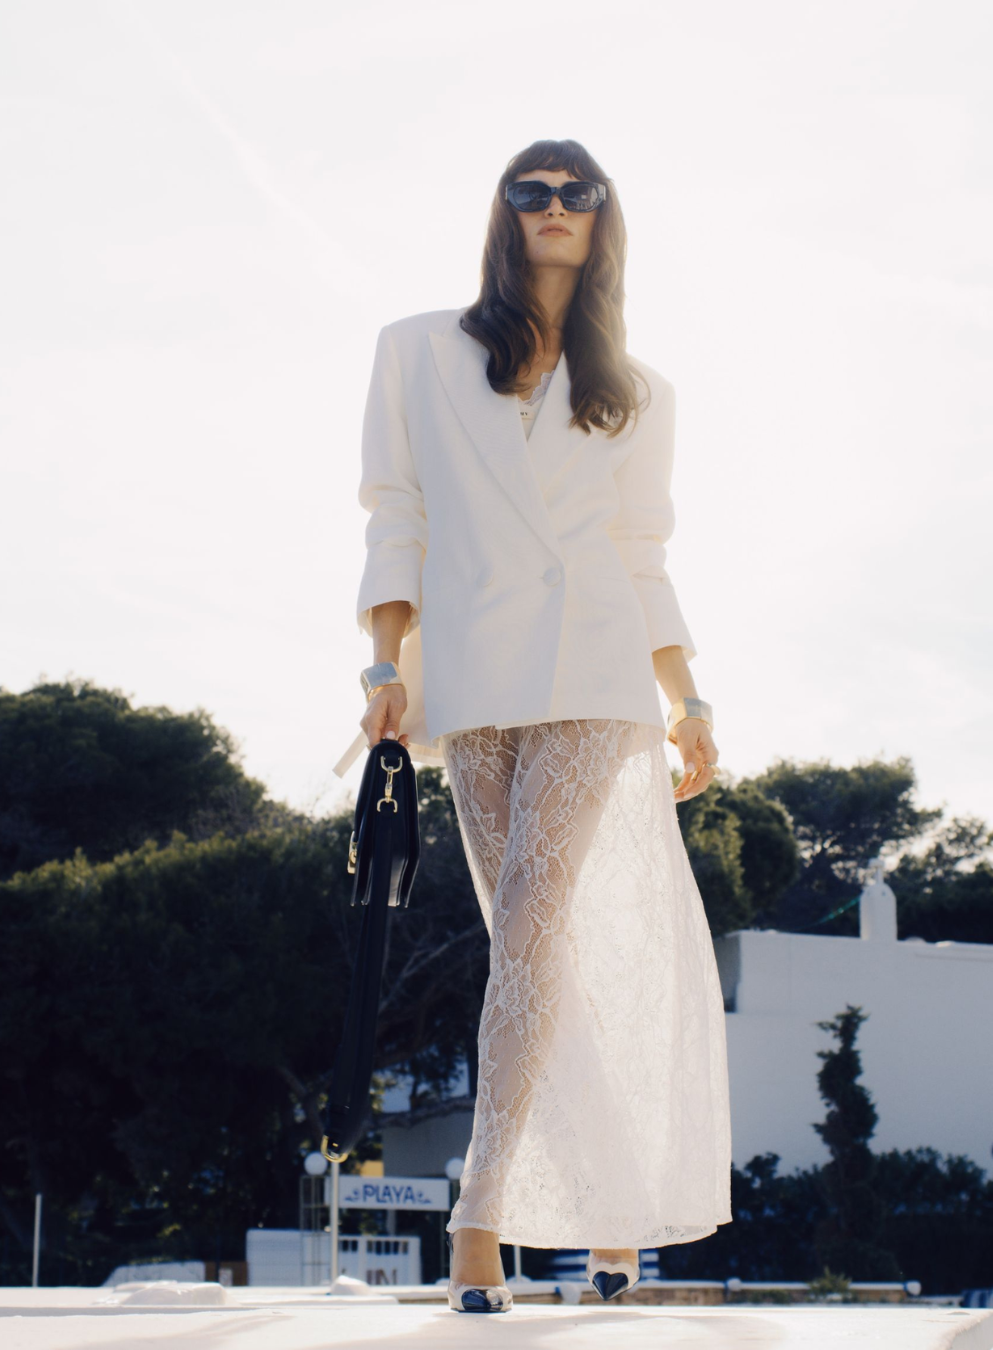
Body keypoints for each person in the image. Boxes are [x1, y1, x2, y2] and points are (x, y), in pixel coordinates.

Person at [340, 138, 731, 1314]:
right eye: (533, 190)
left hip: (596, 669)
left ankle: (480, 1210)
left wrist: (688, 700)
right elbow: (395, 514)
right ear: (503, 213)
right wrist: (383, 664)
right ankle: (612, 1206)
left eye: (578, 193)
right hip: (471, 678)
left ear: (604, 220)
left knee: (529, 919)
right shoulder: (417, 351)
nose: (555, 207)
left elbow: (642, 553)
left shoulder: (639, 389)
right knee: (537, 943)